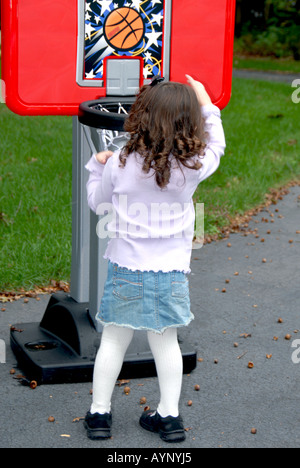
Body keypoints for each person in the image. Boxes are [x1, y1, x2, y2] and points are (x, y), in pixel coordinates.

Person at [84, 75, 226, 443]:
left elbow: (97, 203)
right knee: (166, 343)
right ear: (189, 123)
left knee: (114, 341)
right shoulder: (193, 167)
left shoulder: (120, 162)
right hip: (170, 273)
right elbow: (218, 146)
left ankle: (100, 414)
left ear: (141, 116)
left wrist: (96, 167)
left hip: (126, 269)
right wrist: (207, 103)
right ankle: (170, 417)